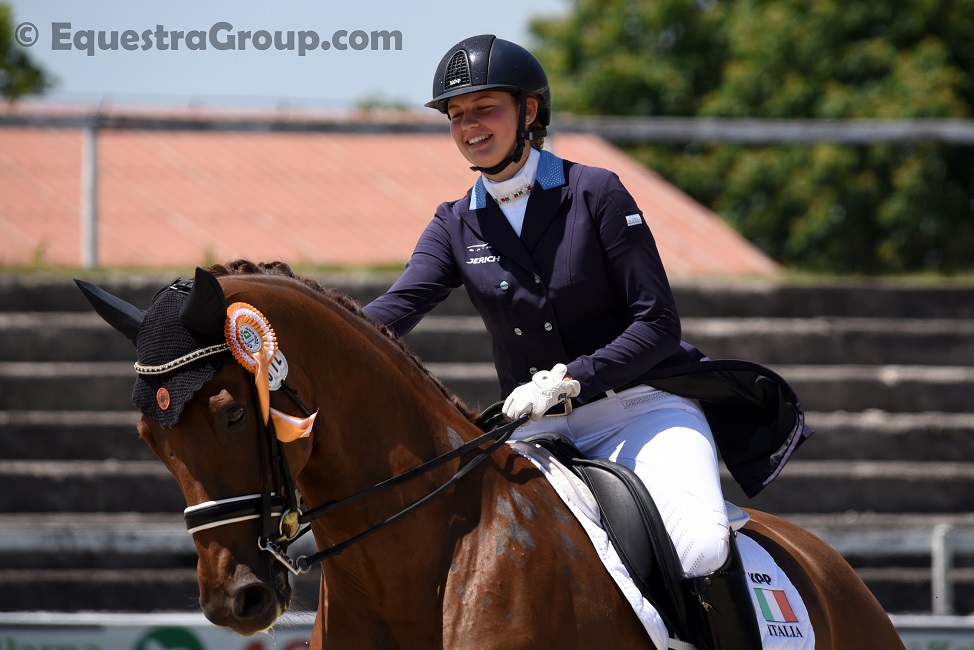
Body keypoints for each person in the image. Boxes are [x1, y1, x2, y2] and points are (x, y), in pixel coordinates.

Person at [363, 34, 810, 648]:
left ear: (529, 112)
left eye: (484, 108)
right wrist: (300, 340)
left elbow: (658, 324)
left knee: (702, 544)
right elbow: (396, 309)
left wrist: (573, 377)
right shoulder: (454, 222)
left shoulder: (595, 193)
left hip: (639, 410)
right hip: (538, 431)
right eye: (456, 115)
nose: (469, 127)